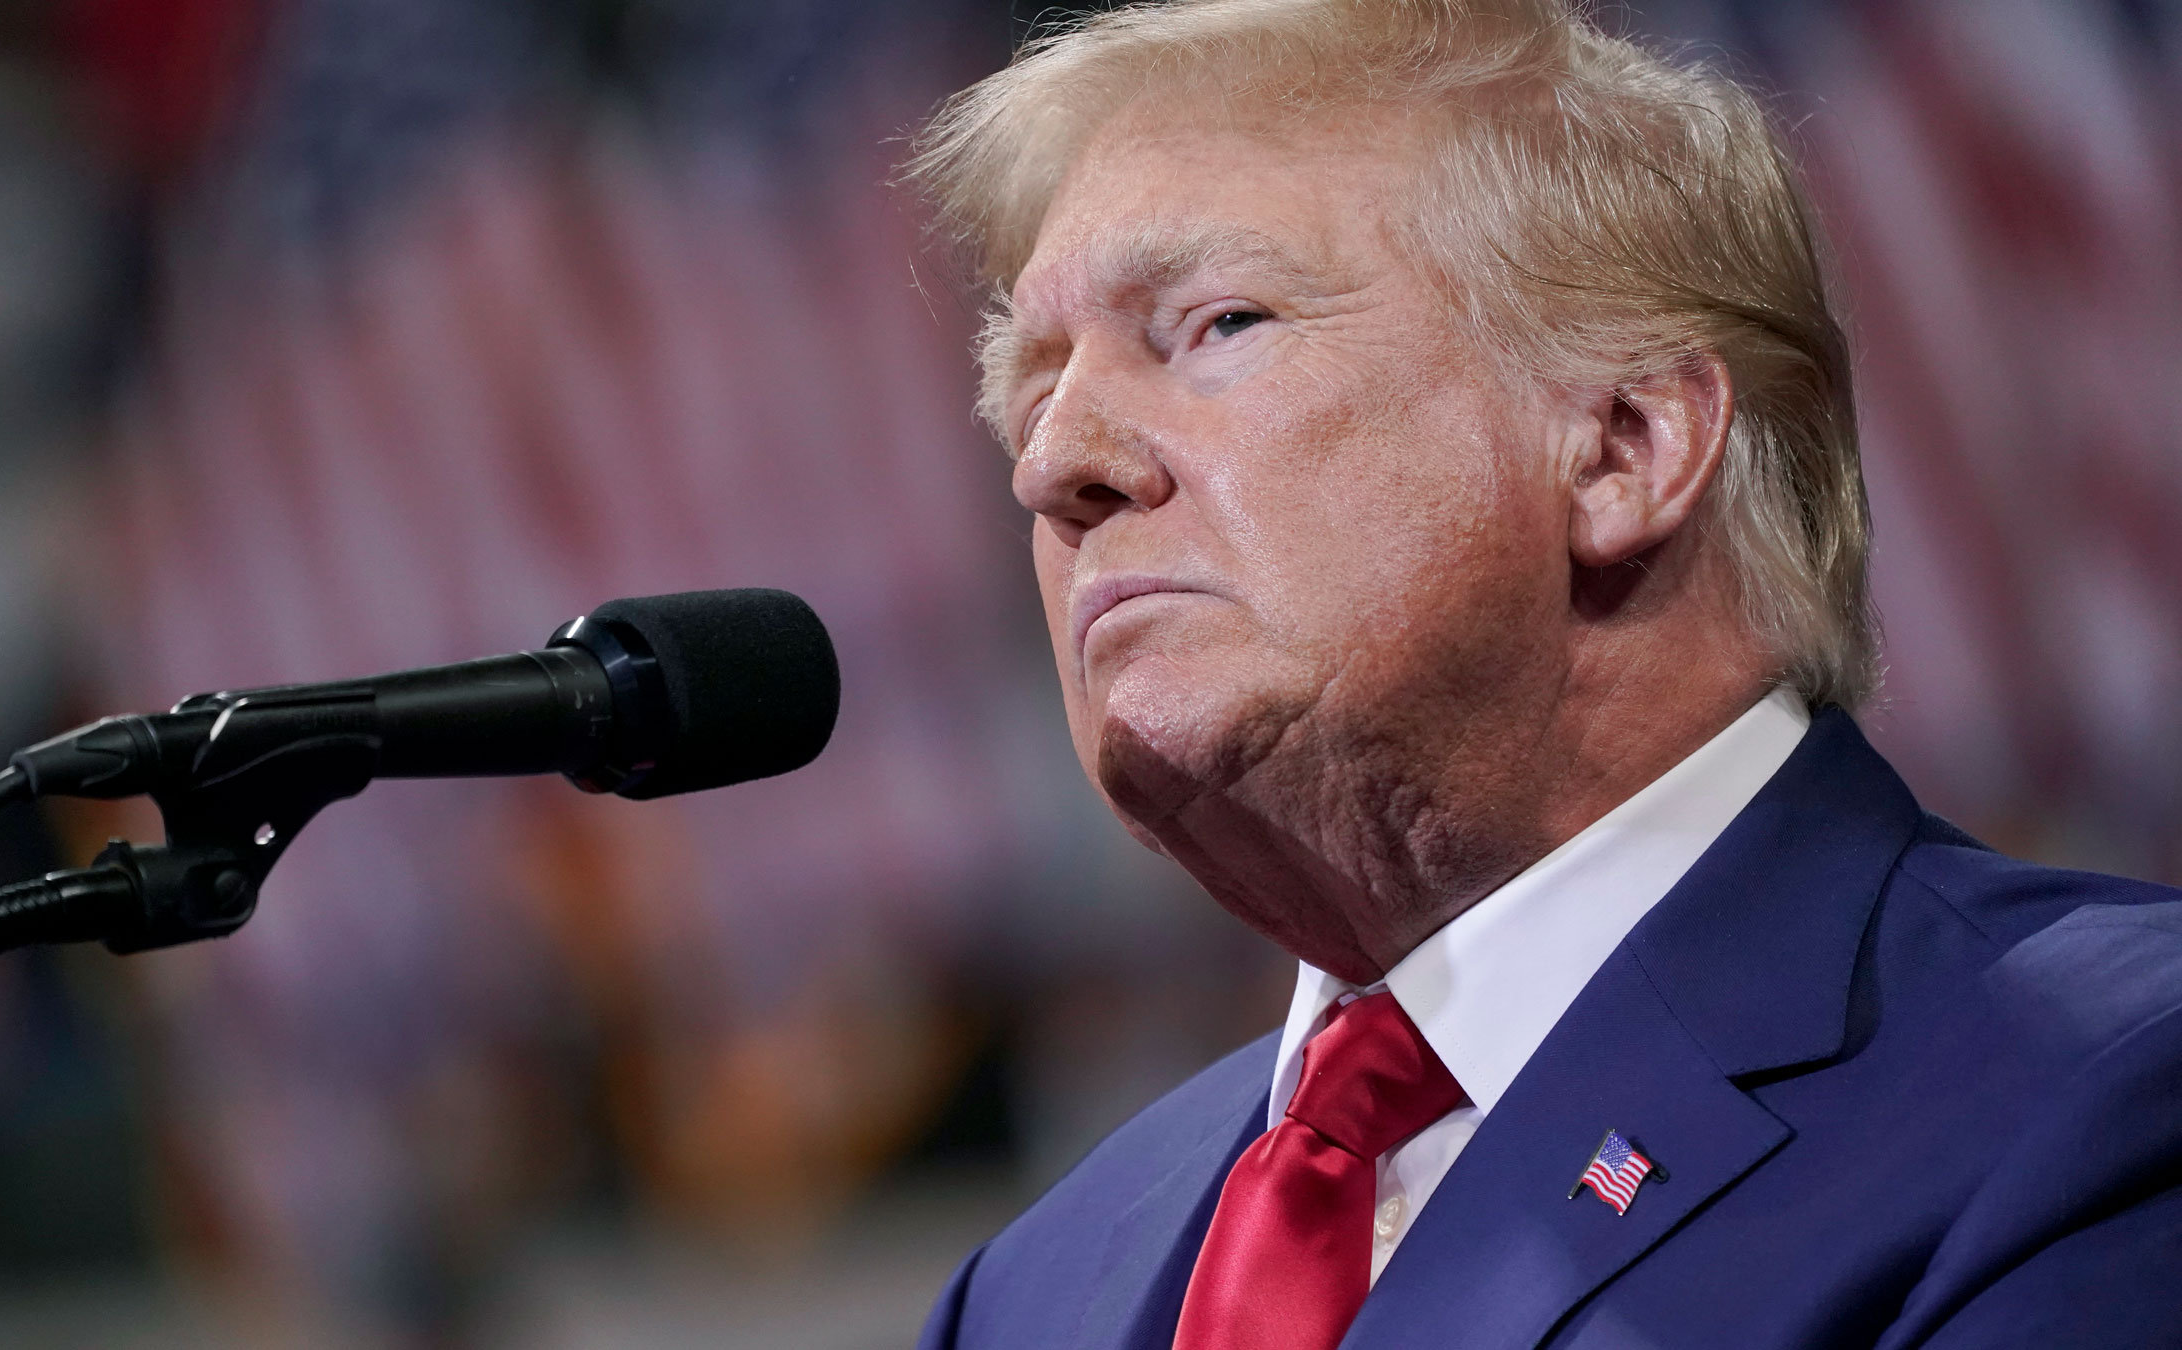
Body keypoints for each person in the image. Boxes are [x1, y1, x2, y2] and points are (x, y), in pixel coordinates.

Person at [904, 2, 2182, 1346]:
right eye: (1035, 391)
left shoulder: (2093, 1098)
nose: (1055, 464)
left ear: (1625, 444)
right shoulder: (1031, 1290)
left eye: (1219, 322)